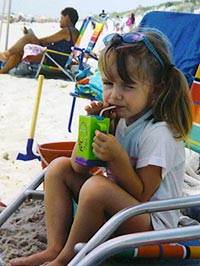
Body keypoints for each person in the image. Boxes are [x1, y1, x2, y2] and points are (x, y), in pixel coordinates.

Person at [10, 29, 193, 265]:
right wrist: (91, 129)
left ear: (156, 90)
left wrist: (117, 158)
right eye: (108, 83)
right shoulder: (120, 120)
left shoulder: (159, 133)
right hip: (121, 209)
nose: (114, 95)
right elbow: (77, 168)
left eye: (127, 86)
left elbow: (142, 195)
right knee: (58, 168)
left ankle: (66, 258)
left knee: (97, 187)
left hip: (152, 226)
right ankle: (54, 248)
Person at [0, 7, 79, 74]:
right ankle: (2, 71)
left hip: (53, 58)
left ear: (67, 17)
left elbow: (47, 40)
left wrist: (32, 40)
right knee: (19, 52)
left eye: (61, 18)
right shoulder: (73, 31)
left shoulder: (68, 30)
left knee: (29, 36)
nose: (60, 21)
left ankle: (6, 54)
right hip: (56, 57)